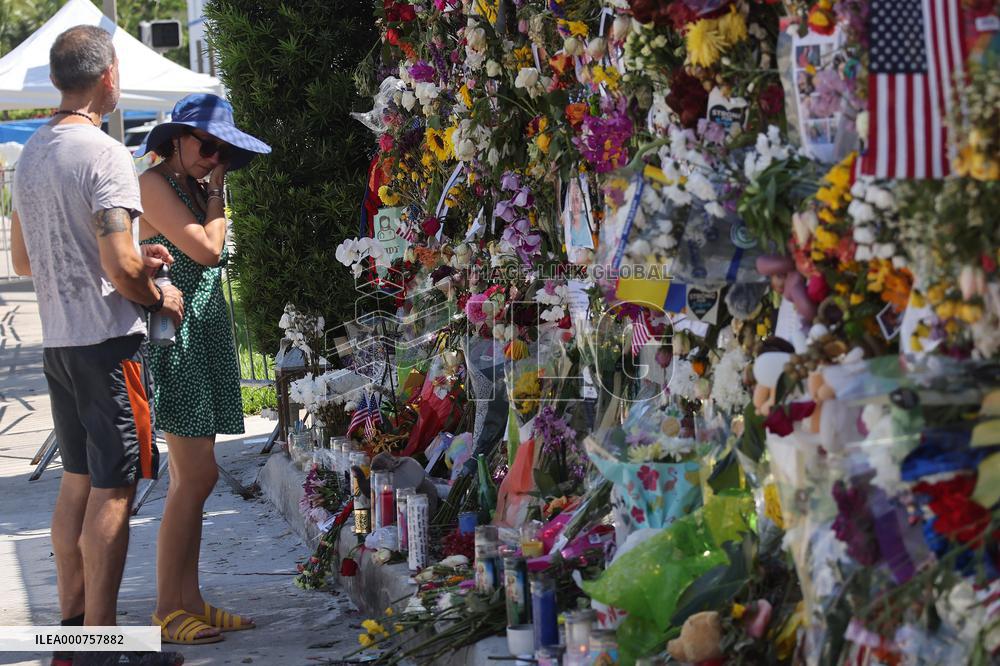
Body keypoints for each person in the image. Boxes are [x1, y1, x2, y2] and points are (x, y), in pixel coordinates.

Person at [10, 25, 185, 666]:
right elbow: (117, 265)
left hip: (59, 342)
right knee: (114, 488)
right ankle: (102, 648)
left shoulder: (31, 152)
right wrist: (156, 292)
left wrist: (135, 258)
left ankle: (74, 634)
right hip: (109, 344)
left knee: (77, 482)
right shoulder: (105, 153)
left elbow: (25, 260)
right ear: (109, 76)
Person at [132, 94, 270, 645]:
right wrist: (217, 195)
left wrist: (210, 190)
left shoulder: (189, 185)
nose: (215, 159)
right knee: (195, 477)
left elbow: (211, 245)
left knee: (198, 476)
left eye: (224, 153)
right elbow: (209, 251)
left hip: (202, 334)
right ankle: (167, 608)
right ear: (176, 139)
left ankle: (189, 600)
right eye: (208, 147)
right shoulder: (154, 185)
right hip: (176, 339)